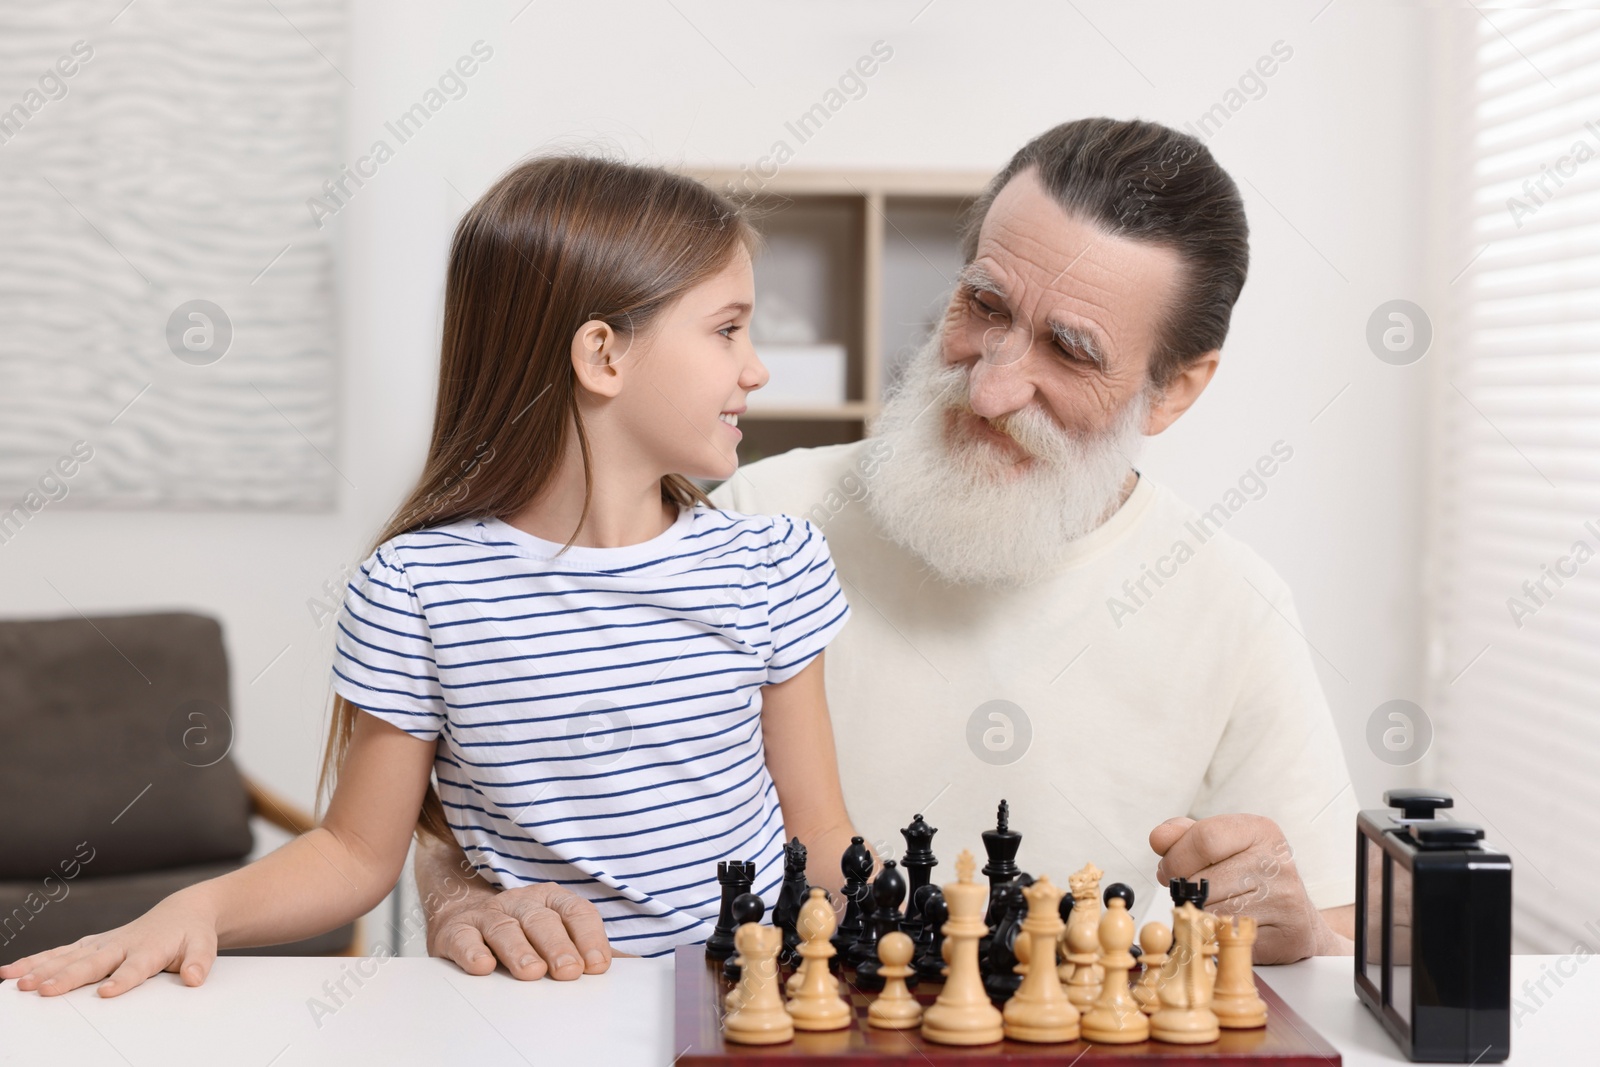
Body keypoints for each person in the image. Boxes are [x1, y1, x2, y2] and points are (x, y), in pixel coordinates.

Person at [413, 119, 1361, 974]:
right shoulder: (746, 520)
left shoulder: (1236, 608)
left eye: (1068, 352)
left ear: (1175, 390)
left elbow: (1335, 926)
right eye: (984, 305)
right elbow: (477, 800)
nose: (990, 387)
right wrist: (467, 899)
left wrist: (1305, 935)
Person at [0, 156, 862, 996]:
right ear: (603, 354)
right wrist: (196, 908)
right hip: (533, 1011)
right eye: (727, 329)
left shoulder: (772, 563)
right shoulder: (417, 587)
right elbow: (353, 851)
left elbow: (817, 829)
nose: (757, 367)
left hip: (738, 1009)